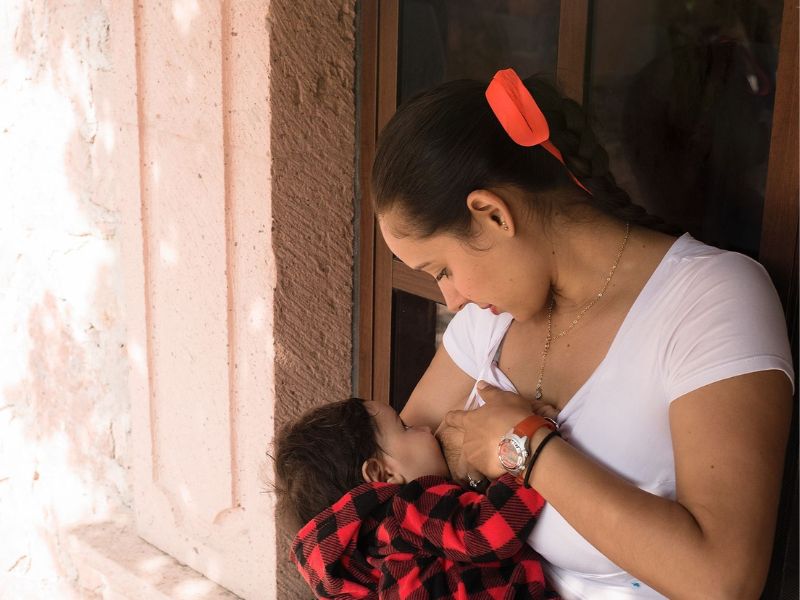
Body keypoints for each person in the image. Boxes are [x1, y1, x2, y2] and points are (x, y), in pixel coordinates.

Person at [371, 68, 794, 598]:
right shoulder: (489, 321)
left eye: (441, 270)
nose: (450, 300)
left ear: (491, 215)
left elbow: (722, 580)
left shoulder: (709, 298)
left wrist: (522, 446)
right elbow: (387, 493)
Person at [273, 397, 558, 599]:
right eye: (405, 427)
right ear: (382, 474)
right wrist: (525, 442)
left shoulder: (365, 560)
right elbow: (486, 532)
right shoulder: (404, 508)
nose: (425, 428)